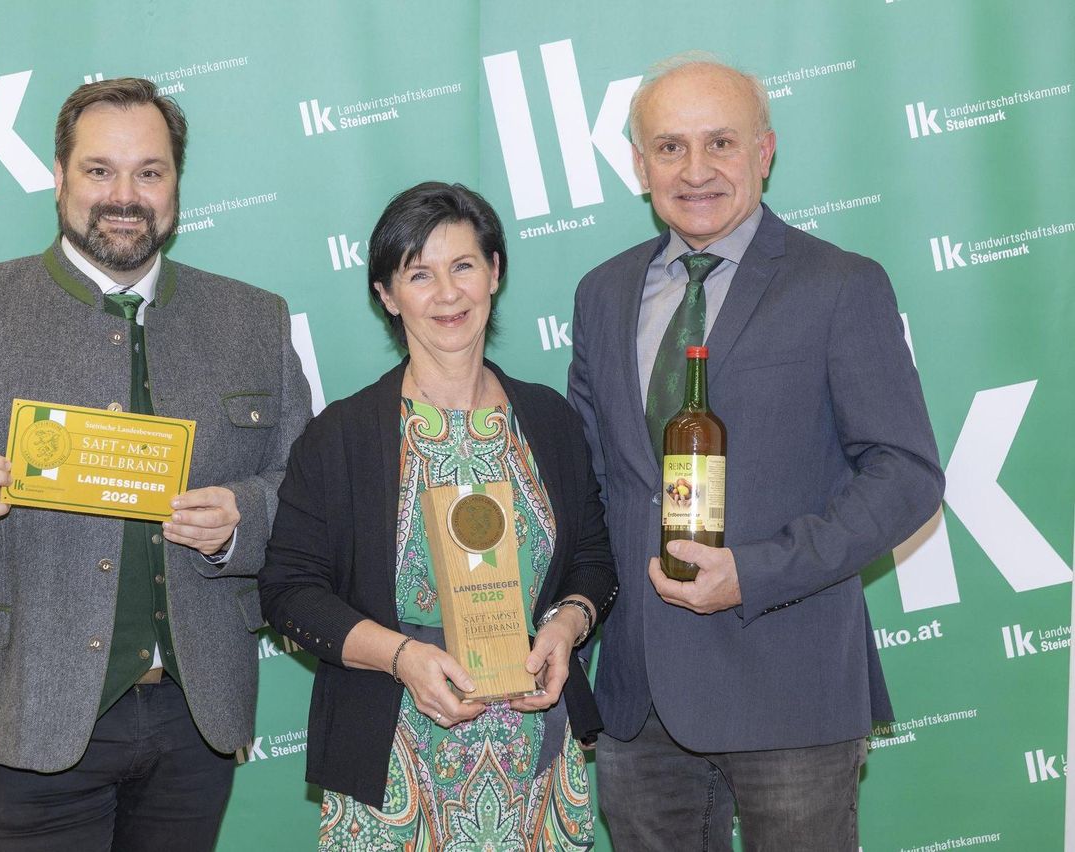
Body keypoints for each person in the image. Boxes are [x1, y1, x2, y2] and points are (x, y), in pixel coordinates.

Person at [0, 78, 311, 850]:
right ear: (58, 177)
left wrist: (240, 519)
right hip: (22, 717)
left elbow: (304, 490)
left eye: (149, 172)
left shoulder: (253, 319)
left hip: (196, 719)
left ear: (178, 184)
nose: (125, 195)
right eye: (99, 170)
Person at [567, 55, 944, 850]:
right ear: (638, 166)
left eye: (721, 144)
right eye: (668, 148)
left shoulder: (840, 284)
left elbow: (906, 474)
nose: (695, 171)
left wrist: (754, 571)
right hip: (640, 702)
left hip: (791, 686)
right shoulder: (601, 294)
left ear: (765, 152)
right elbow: (594, 482)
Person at [259, 181, 618, 850]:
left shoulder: (549, 421)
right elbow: (288, 593)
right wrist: (402, 659)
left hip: (537, 767)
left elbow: (595, 560)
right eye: (418, 274)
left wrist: (567, 627)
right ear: (387, 296)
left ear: (495, 273)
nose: (447, 294)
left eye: (463, 267)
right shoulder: (340, 437)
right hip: (392, 766)